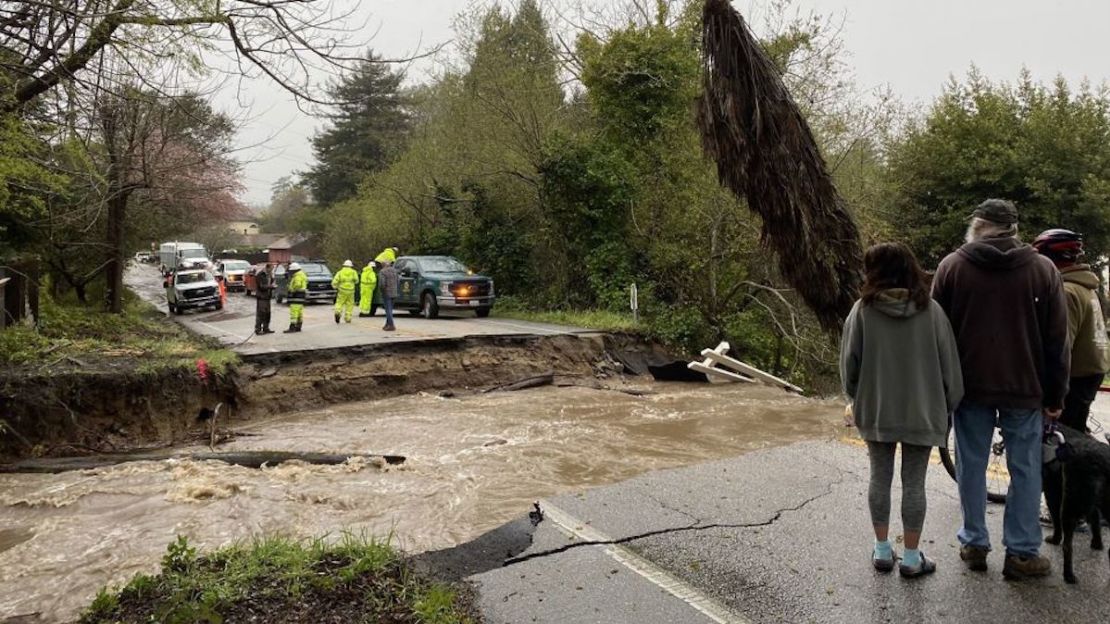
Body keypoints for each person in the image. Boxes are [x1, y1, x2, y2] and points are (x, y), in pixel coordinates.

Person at [932, 199, 1069, 580]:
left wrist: (940, 389)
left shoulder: (952, 267)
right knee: (1025, 468)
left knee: (971, 465)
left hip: (969, 387)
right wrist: (1056, 396)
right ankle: (1023, 553)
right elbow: (1058, 340)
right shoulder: (1042, 270)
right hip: (1024, 388)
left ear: (977, 226)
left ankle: (974, 542)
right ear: (1013, 228)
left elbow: (935, 336)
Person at [841, 242, 964, 578]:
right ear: (911, 268)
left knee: (879, 476)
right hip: (922, 412)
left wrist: (857, 397)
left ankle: (882, 551)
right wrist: (949, 404)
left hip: (878, 409)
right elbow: (950, 368)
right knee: (915, 483)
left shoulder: (861, 311)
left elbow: (849, 366)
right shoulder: (933, 311)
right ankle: (911, 558)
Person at [1032, 229, 1109, 432]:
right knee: (1074, 430)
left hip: (1075, 374)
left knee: (1059, 441)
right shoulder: (1085, 286)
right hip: (1092, 370)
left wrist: (1052, 393)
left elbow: (1061, 344)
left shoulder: (1066, 291)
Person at [332, 259, 359, 324]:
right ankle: (348, 318)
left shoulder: (340, 272)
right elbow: (357, 280)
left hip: (342, 290)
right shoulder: (353, 272)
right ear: (350, 266)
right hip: (351, 291)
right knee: (349, 304)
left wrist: (335, 286)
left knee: (339, 302)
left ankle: (337, 312)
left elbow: (335, 281)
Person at [284, 262, 308, 333]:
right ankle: (298, 326)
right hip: (301, 296)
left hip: (296, 296)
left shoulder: (297, 276)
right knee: (299, 312)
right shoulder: (302, 275)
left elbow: (297, 285)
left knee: (294, 312)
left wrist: (292, 290)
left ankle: (292, 327)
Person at [254, 263, 275, 335]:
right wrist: (270, 286)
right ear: (267, 268)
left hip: (267, 297)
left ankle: (266, 328)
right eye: (271, 269)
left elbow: (271, 282)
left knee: (267, 314)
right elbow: (261, 286)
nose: (272, 271)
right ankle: (258, 329)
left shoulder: (270, 275)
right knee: (261, 314)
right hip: (261, 297)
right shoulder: (260, 275)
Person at [379, 260, 399, 331]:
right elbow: (398, 281)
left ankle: (391, 325)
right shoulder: (394, 271)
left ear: (383, 265)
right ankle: (387, 324)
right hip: (394, 292)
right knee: (390, 309)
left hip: (386, 292)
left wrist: (382, 290)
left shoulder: (382, 272)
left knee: (388, 309)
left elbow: (382, 283)